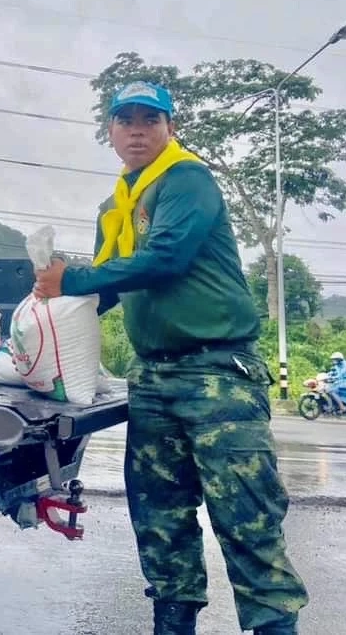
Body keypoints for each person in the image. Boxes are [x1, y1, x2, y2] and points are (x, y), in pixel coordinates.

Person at [32, 81, 308, 635]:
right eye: (125, 120)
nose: (137, 130)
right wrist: (39, 314)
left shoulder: (187, 180)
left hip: (218, 375)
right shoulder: (116, 206)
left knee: (247, 520)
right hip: (153, 379)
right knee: (160, 521)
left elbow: (166, 259)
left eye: (149, 120)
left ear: (169, 129)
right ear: (109, 132)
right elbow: (106, 289)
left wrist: (74, 278)